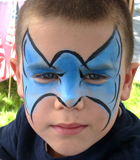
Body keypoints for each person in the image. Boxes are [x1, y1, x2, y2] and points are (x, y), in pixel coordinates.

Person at [0, 0, 140, 159]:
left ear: (126, 82)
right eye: (47, 75)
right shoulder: (26, 126)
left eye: (94, 76)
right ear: (20, 78)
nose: (68, 99)